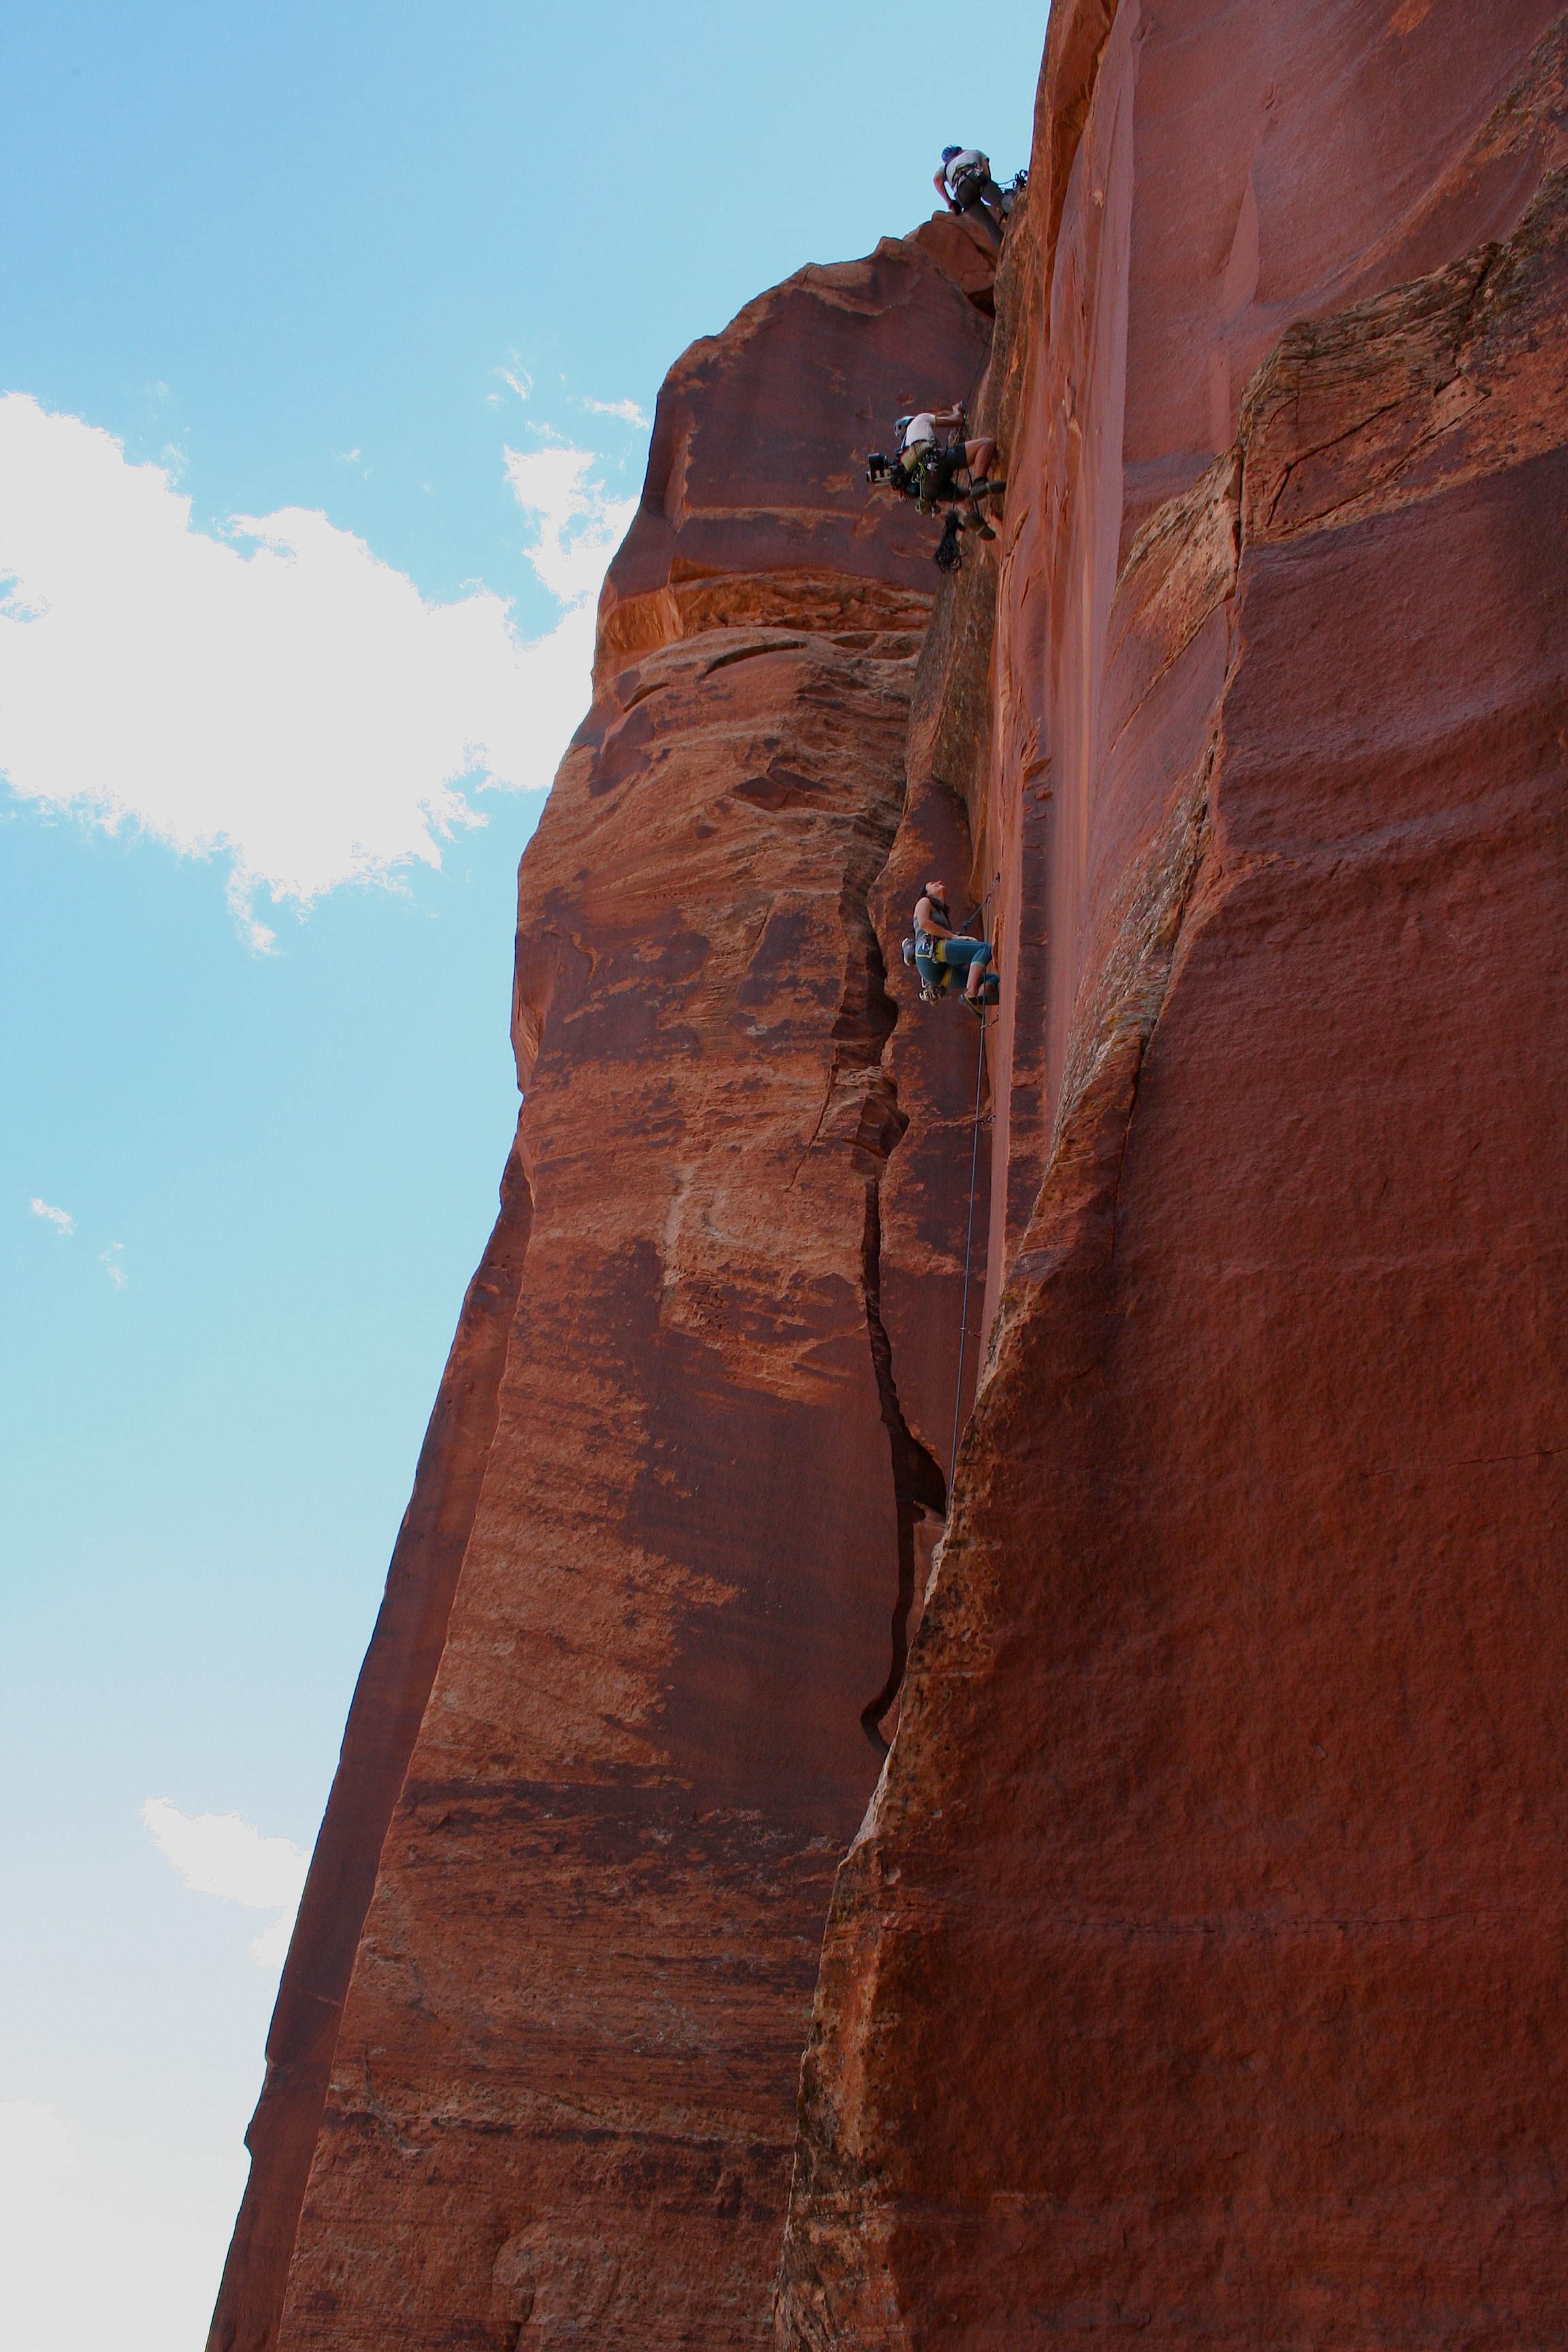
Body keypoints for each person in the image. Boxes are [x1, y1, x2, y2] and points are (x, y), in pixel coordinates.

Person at [894, 405, 1002, 540]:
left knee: (963, 496)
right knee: (987, 444)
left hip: (928, 491)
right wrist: (958, 410)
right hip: (936, 464)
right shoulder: (920, 419)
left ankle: (972, 516)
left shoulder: (905, 453)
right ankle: (979, 482)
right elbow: (957, 421)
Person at [913, 878, 998, 1013]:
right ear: (926, 893)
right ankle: (970, 992)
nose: (938, 882)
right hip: (928, 951)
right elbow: (923, 923)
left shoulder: (941, 912)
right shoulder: (924, 902)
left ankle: (976, 1002)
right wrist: (954, 937)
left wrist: (955, 938)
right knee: (985, 948)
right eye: (933, 884)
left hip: (935, 971)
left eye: (939, 882)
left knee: (993, 980)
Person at [934, 146, 1009, 252]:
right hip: (975, 173)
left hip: (961, 191)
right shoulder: (973, 152)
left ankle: (1006, 250)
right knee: (1000, 201)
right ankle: (1014, 208)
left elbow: (937, 180)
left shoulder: (945, 168)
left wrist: (950, 202)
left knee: (987, 224)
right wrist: (988, 185)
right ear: (960, 151)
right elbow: (985, 168)